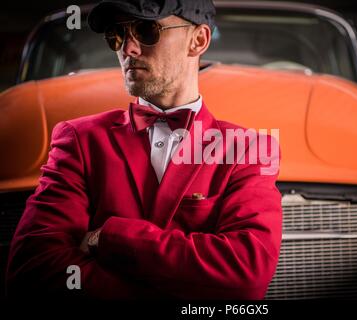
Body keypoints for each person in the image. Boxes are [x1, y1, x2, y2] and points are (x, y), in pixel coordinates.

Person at [6, 0, 282, 300]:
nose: (128, 49)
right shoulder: (79, 139)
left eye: (147, 30)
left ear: (198, 40)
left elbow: (245, 275)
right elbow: (33, 269)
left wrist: (109, 237)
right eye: (118, 35)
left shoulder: (250, 148)